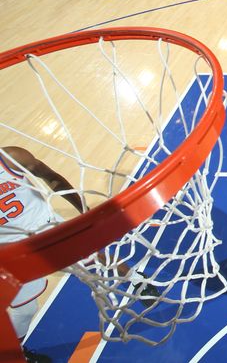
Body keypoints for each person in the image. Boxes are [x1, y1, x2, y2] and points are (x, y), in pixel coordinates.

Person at [0, 146, 158, 363]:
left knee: (93, 253)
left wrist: (82, 210)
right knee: (25, 311)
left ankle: (136, 280)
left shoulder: (11, 157)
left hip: (49, 230)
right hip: (13, 254)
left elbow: (52, 177)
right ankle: (15, 354)